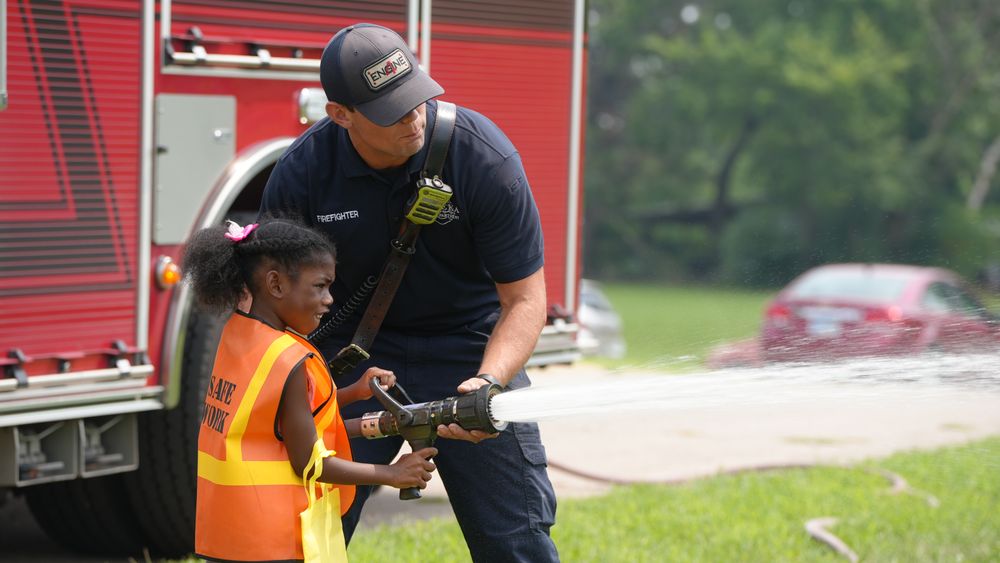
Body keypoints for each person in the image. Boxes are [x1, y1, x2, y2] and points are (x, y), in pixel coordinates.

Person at [260, 23, 559, 562]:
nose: (413, 118)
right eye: (390, 110)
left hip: (470, 348)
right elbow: (271, 307)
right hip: (353, 357)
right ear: (341, 115)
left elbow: (525, 300)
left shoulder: (484, 159)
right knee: (301, 532)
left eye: (417, 98)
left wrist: (488, 382)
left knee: (517, 541)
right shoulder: (301, 175)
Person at [184, 217, 437, 562]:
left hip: (226, 533)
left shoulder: (238, 335)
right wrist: (392, 474)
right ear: (275, 284)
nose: (329, 299)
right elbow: (309, 463)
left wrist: (352, 393)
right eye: (320, 286)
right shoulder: (289, 359)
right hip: (273, 539)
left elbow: (275, 423)